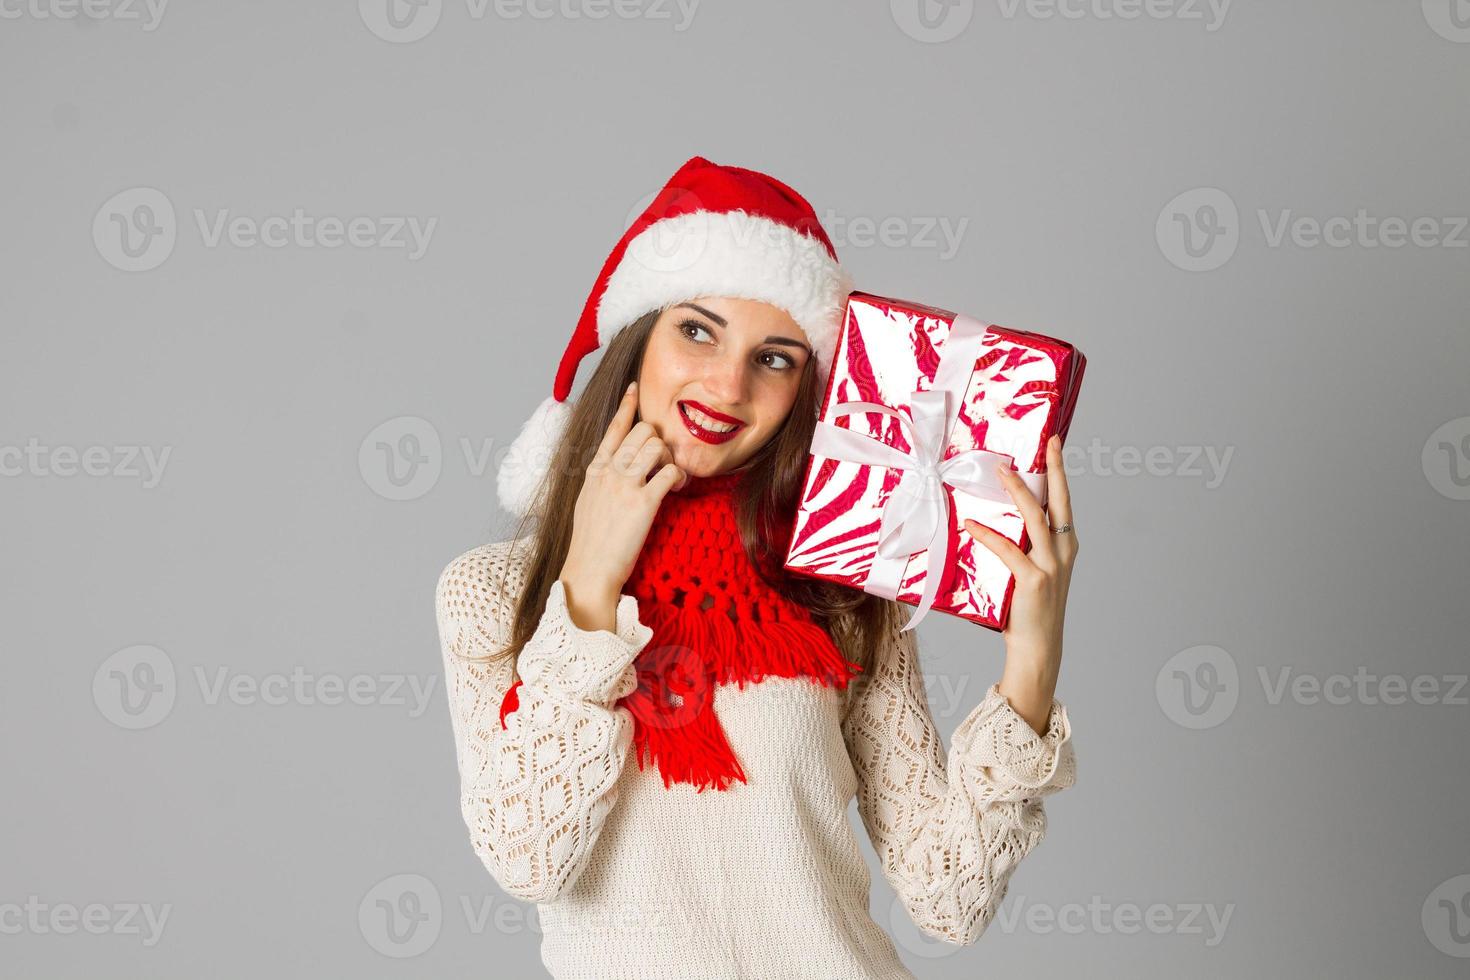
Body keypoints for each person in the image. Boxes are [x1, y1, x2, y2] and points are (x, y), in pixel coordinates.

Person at [434, 155, 1079, 980]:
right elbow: (529, 857)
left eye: (774, 358)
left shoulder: (839, 588)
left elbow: (948, 900)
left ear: (804, 390)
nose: (727, 384)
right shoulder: (497, 593)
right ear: (638, 340)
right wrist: (590, 590)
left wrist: (1031, 662)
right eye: (697, 331)